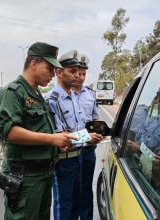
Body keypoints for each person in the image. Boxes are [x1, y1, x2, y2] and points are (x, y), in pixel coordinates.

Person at [0, 42, 77, 220]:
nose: (52, 75)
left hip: (43, 175)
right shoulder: (13, 92)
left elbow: (39, 130)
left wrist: (58, 144)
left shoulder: (37, 94)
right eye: (49, 68)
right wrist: (51, 139)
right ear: (33, 64)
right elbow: (10, 132)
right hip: (26, 178)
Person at [46, 50, 102, 220]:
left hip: (79, 157)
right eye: (72, 71)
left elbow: (85, 124)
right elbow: (59, 137)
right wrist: (87, 137)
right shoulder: (52, 100)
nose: (77, 76)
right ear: (59, 72)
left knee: (78, 202)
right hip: (64, 161)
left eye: (79, 72)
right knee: (64, 206)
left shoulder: (74, 98)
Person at [72, 53, 102, 220]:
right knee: (71, 192)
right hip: (70, 151)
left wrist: (99, 131)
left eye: (83, 74)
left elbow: (95, 118)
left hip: (88, 151)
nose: (80, 77)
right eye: (77, 73)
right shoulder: (62, 95)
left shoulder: (90, 94)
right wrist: (85, 137)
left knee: (86, 190)